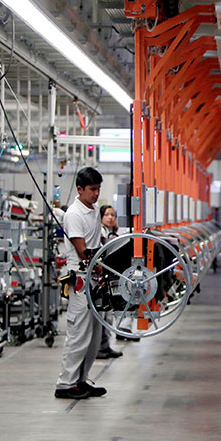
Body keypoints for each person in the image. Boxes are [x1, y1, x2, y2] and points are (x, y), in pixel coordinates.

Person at [55, 167, 107, 399]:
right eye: (92, 189)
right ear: (80, 189)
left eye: (98, 189)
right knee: (78, 333)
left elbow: (97, 241)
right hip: (80, 279)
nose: (96, 194)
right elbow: (83, 251)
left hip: (94, 278)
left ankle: (81, 380)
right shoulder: (74, 214)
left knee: (94, 336)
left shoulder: (94, 210)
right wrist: (102, 266)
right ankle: (65, 384)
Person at [96, 205, 124, 359]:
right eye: (107, 214)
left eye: (113, 215)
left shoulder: (113, 234)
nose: (110, 217)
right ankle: (100, 348)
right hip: (101, 277)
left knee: (108, 315)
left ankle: (105, 346)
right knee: (102, 315)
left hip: (111, 276)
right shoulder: (100, 233)